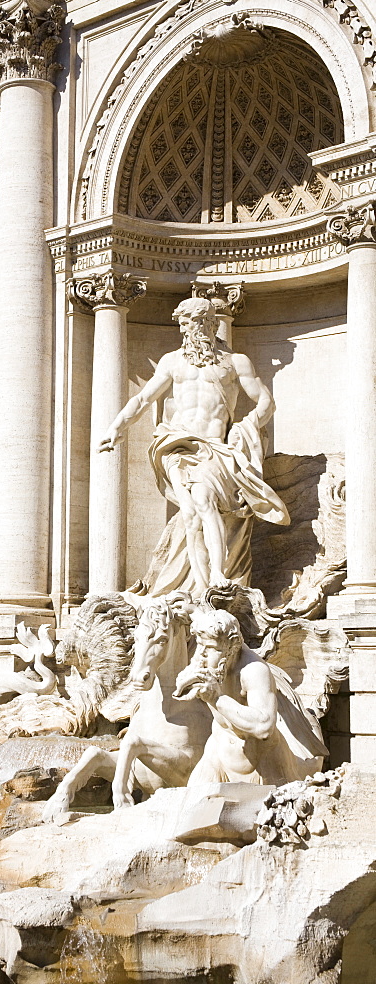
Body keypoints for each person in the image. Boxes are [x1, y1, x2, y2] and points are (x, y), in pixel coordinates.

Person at [99, 296, 289, 596]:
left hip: (214, 447)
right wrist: (116, 427)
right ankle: (205, 582)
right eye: (183, 324)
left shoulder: (235, 362)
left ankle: (214, 574)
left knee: (201, 502)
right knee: (191, 511)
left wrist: (248, 424)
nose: (185, 330)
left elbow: (266, 401)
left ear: (209, 323)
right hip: (177, 444)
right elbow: (143, 399)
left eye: (190, 323)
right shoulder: (171, 361)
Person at [173, 608, 327, 785]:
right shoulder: (212, 661)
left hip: (263, 763)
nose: (201, 654)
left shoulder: (253, 671)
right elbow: (199, 615)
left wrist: (216, 698)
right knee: (191, 807)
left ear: (231, 648)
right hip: (218, 754)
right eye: (200, 644)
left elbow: (264, 726)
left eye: (210, 648)